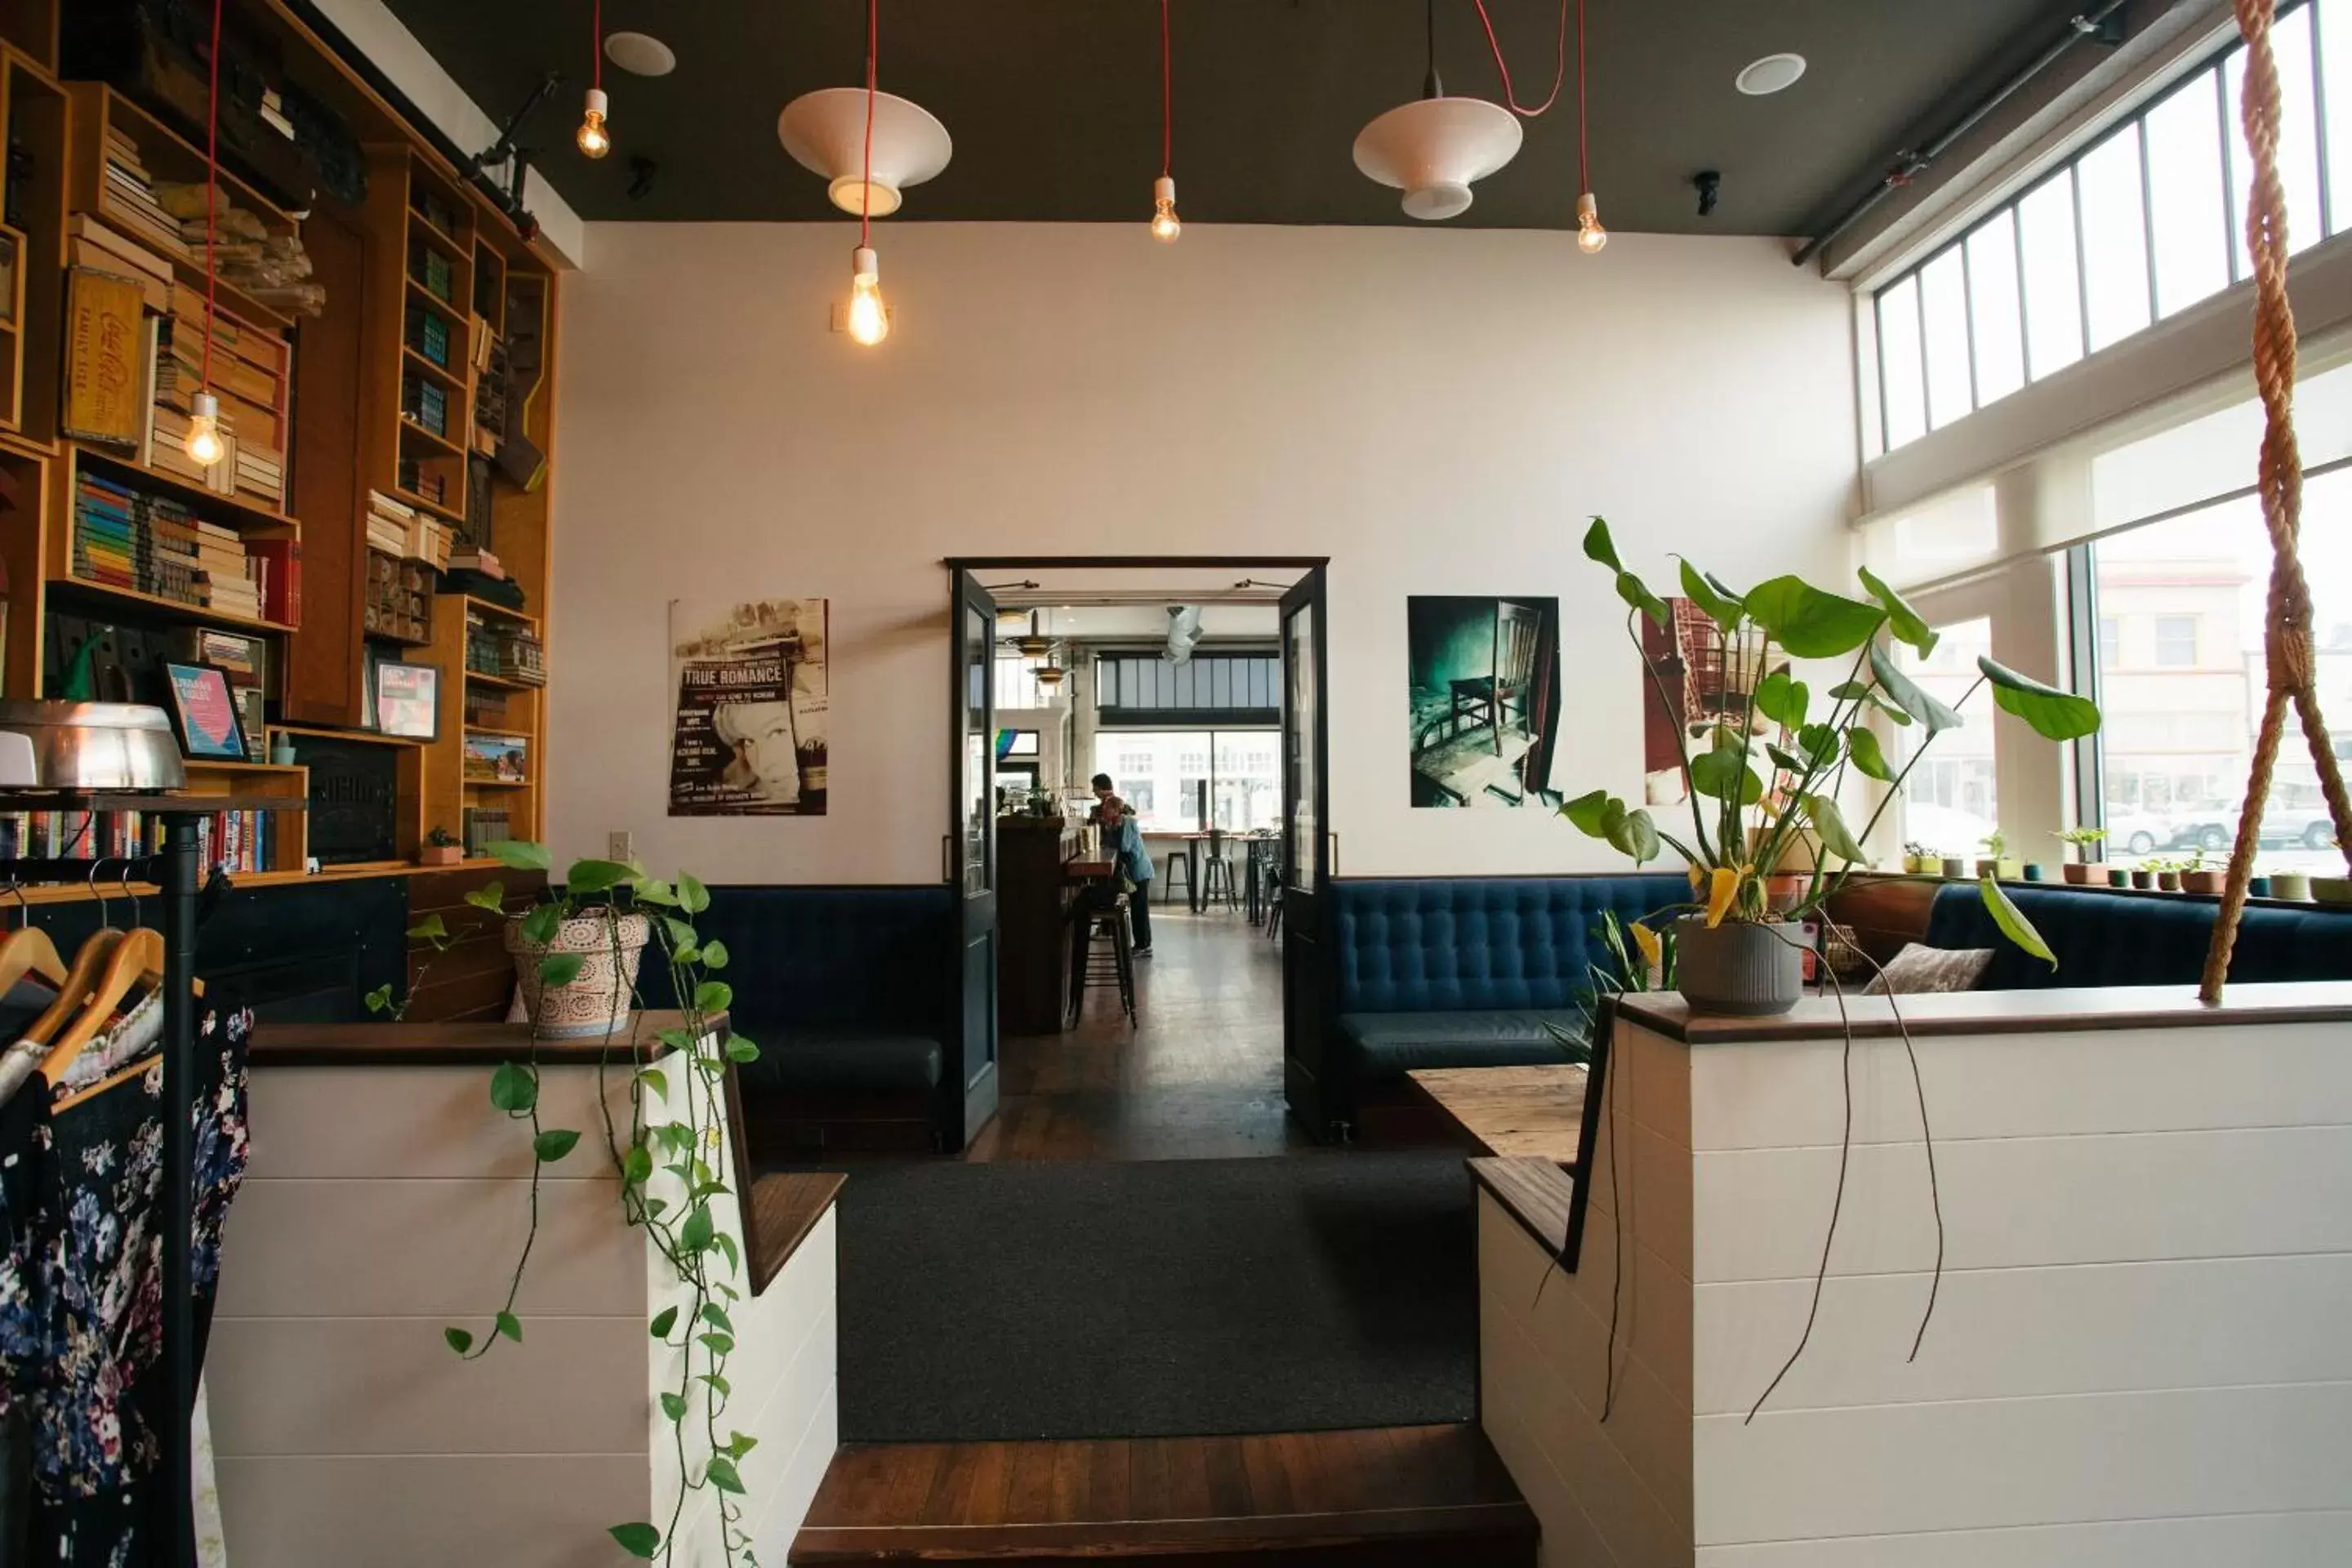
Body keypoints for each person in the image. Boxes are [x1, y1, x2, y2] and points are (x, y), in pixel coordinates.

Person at [1090, 776, 1155, 956]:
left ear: (1115, 810)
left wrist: (1114, 828)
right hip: (1134, 871)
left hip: (1140, 870)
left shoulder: (1127, 822)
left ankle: (1144, 945)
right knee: (1136, 907)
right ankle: (1141, 944)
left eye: (1106, 811)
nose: (1104, 814)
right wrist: (1111, 829)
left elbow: (1124, 846)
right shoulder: (1116, 823)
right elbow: (1109, 844)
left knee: (1140, 910)